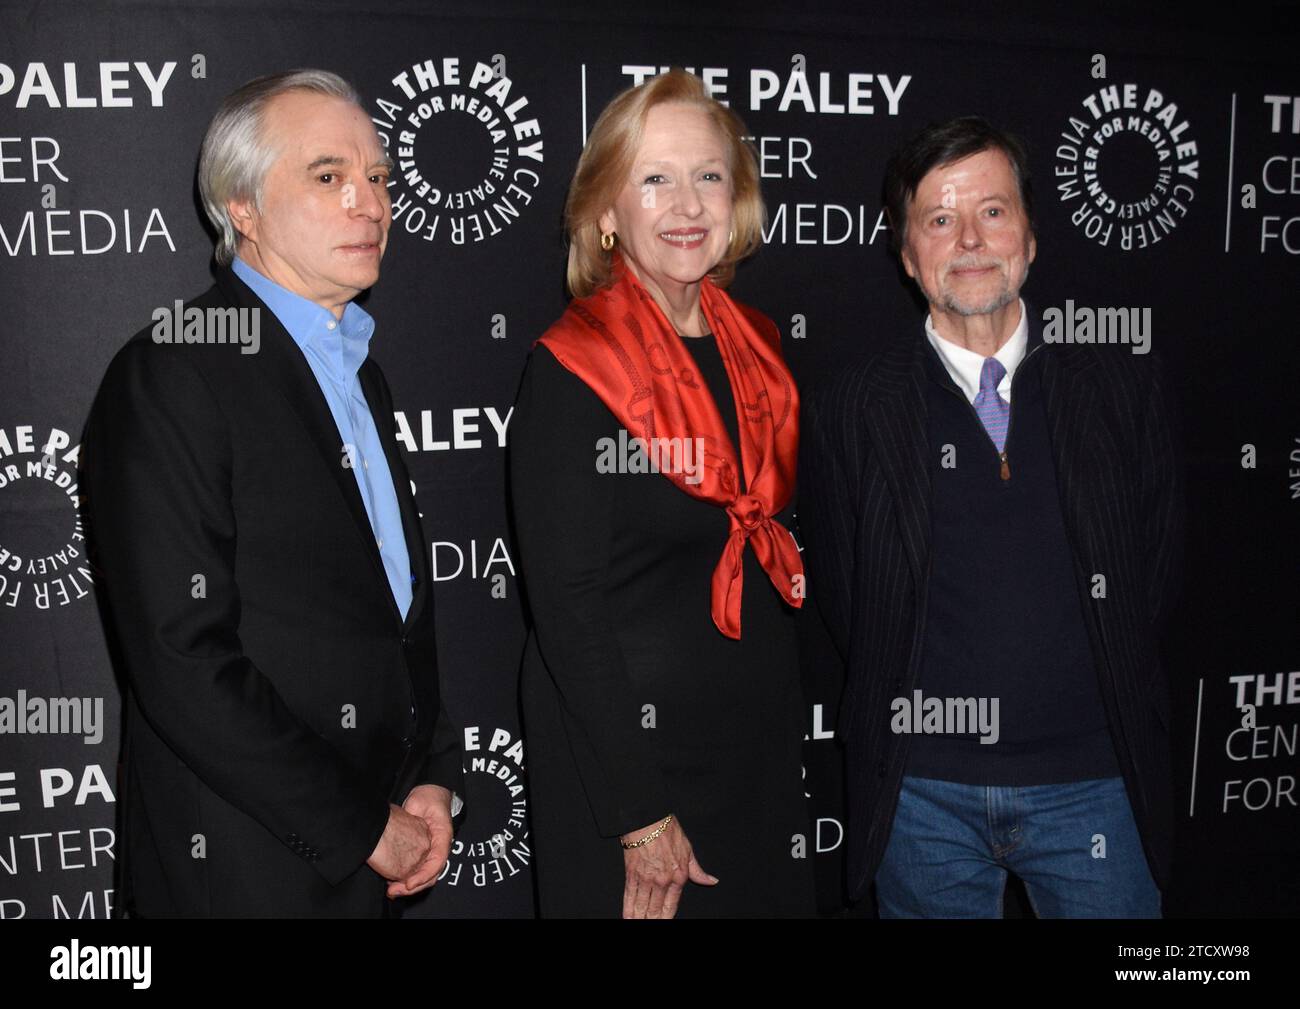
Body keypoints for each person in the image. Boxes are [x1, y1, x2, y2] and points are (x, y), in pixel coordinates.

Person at [81, 69, 463, 917]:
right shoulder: (173, 373)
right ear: (241, 208)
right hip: (244, 871)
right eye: (328, 176)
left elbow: (393, 606)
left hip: (374, 856)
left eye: (379, 177)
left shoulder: (364, 376)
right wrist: (362, 824)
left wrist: (434, 773)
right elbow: (183, 661)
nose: (369, 202)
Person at [799, 116, 1184, 918]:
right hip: (921, 799)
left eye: (994, 212)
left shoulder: (1119, 387)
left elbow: (1156, 569)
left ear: (1031, 237)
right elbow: (846, 595)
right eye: (940, 219)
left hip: (1098, 788)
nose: (970, 239)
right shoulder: (852, 410)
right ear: (908, 255)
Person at [509, 69, 814, 918]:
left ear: (738, 199)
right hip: (631, 780)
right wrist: (639, 815)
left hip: (753, 761)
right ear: (606, 213)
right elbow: (568, 610)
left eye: (709, 176)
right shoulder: (572, 368)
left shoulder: (756, 347)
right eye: (655, 178)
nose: (687, 203)